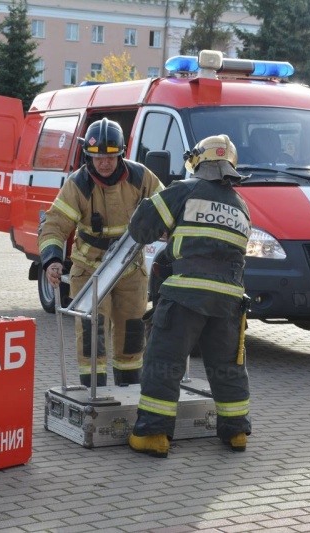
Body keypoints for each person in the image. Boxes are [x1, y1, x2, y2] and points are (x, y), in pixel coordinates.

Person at [126, 134, 252, 458]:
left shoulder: (185, 190)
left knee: (164, 362)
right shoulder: (241, 206)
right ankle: (236, 430)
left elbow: (141, 227)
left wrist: (166, 219)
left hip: (185, 296)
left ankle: (152, 434)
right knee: (227, 367)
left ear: (198, 162)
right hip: (230, 299)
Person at [40, 118, 164, 387]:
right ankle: (93, 397)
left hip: (130, 270)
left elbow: (166, 207)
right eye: (97, 158)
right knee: (91, 336)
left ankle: (129, 393)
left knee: (132, 335)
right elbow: (54, 225)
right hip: (89, 271)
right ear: (88, 156)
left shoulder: (140, 177)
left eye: (110, 157)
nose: (104, 164)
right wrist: (51, 260)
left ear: (121, 155)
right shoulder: (78, 185)